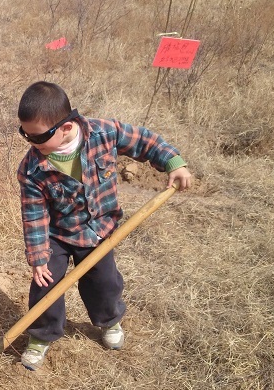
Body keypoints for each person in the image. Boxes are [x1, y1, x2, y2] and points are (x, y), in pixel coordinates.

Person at [15, 81, 192, 370]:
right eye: (26, 135)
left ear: (67, 127)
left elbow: (145, 141)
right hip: (57, 234)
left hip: (99, 231)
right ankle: (41, 335)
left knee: (105, 283)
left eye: (38, 137)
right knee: (45, 286)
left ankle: (109, 322)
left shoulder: (104, 133)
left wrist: (173, 162)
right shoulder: (32, 168)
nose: (32, 144)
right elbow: (33, 214)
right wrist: (38, 257)